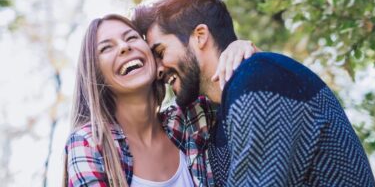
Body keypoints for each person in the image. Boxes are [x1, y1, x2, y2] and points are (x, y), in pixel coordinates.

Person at [134, 0, 375, 186]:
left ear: (200, 36)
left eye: (160, 52)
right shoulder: (215, 117)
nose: (157, 70)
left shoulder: (259, 78)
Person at [63, 14, 256, 186]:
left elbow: (250, 100)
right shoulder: (88, 143)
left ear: (155, 59)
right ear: (96, 75)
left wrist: (239, 51)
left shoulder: (190, 119)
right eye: (106, 48)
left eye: (131, 37)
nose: (124, 47)